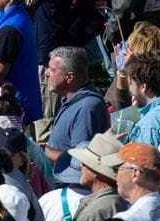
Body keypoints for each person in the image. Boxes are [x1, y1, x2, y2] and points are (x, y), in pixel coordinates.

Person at [44, 47, 110, 187]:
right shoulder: (72, 101)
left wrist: (46, 153)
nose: (46, 73)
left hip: (75, 192)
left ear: (69, 77)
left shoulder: (86, 108)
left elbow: (82, 161)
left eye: (52, 70)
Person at [67, 132, 127, 221]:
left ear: (95, 171)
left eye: (85, 163)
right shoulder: (124, 200)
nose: (81, 166)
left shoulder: (92, 214)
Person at [125, 53, 160, 148]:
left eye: (131, 84)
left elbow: (144, 162)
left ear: (143, 87)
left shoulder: (150, 126)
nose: (130, 90)